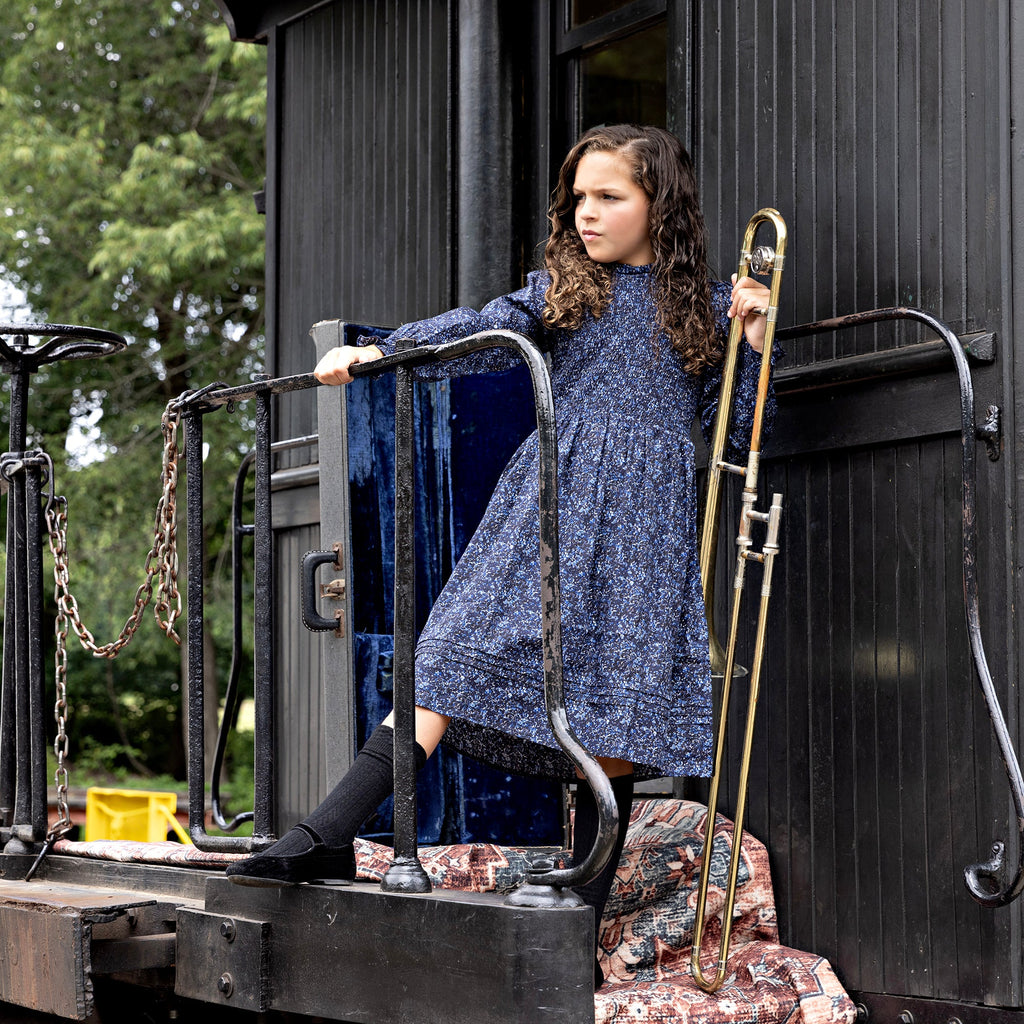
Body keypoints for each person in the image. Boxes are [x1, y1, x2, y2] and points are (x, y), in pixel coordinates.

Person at [227, 123, 776, 988]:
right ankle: (324, 833)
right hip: (552, 499)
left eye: (610, 197)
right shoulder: (565, 288)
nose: (587, 214)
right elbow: (479, 330)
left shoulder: (706, 306)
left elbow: (740, 435)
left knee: (616, 707)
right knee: (446, 654)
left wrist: (751, 347)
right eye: (580, 198)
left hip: (648, 520)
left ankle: (581, 922)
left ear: (657, 205)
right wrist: (380, 353)